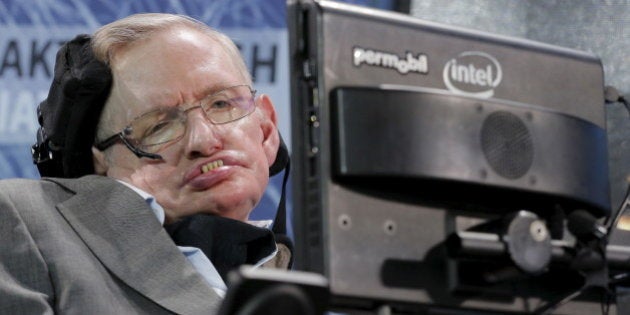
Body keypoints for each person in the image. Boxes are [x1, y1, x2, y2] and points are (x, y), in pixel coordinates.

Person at [0, 13, 291, 314]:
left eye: (221, 104)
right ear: (101, 162)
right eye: (158, 128)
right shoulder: (23, 219)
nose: (203, 141)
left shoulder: (305, 282)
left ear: (267, 131)